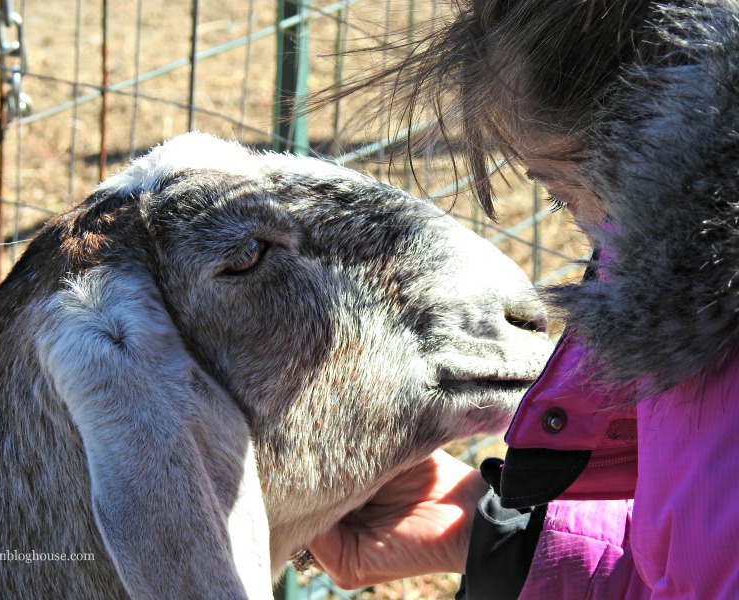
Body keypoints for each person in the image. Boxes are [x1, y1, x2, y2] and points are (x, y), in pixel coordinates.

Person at [309, 0, 739, 597]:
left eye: (566, 193)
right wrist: (489, 533)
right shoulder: (697, 334)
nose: (594, 245)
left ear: (679, 152)